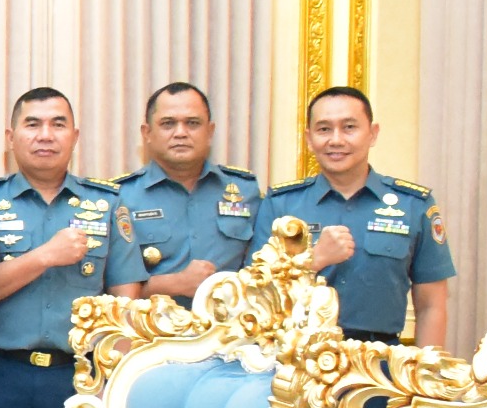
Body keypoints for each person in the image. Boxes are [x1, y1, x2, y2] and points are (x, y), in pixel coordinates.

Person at [0, 88, 144, 408]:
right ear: (11, 137)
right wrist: (44, 256)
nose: (45, 135)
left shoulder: (107, 204)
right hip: (1, 375)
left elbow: (125, 304)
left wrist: (112, 379)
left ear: (75, 136)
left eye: (58, 125)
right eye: (32, 124)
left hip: (78, 378)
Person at [255, 86, 452, 346]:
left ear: (372, 133)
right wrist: (313, 260)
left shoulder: (413, 205)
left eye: (349, 127)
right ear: (309, 138)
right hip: (295, 356)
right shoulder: (281, 204)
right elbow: (257, 294)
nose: (336, 140)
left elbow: (431, 306)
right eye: (324, 129)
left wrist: (426, 368)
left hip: (379, 359)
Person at [114, 82, 263, 304]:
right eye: (168, 124)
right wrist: (174, 283)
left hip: (231, 324)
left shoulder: (246, 191)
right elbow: (105, 288)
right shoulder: (120, 197)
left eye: (192, 123)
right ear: (147, 133)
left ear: (210, 132)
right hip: (151, 325)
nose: (181, 133)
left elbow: (263, 274)